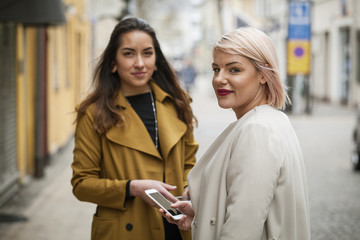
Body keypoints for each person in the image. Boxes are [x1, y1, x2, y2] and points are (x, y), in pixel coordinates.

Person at [161, 27, 310, 240]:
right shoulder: (272, 120)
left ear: (263, 75)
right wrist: (201, 216)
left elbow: (241, 231)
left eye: (234, 70)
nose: (219, 79)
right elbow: (253, 209)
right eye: (215, 69)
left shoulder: (256, 130)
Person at [71, 17, 198, 240]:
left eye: (147, 53)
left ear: (156, 59)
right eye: (129, 54)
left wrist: (190, 191)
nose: (140, 63)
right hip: (125, 230)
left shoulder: (177, 104)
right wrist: (132, 188)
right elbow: (82, 184)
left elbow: (189, 166)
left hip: (177, 228)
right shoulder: (94, 113)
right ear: (113, 62)